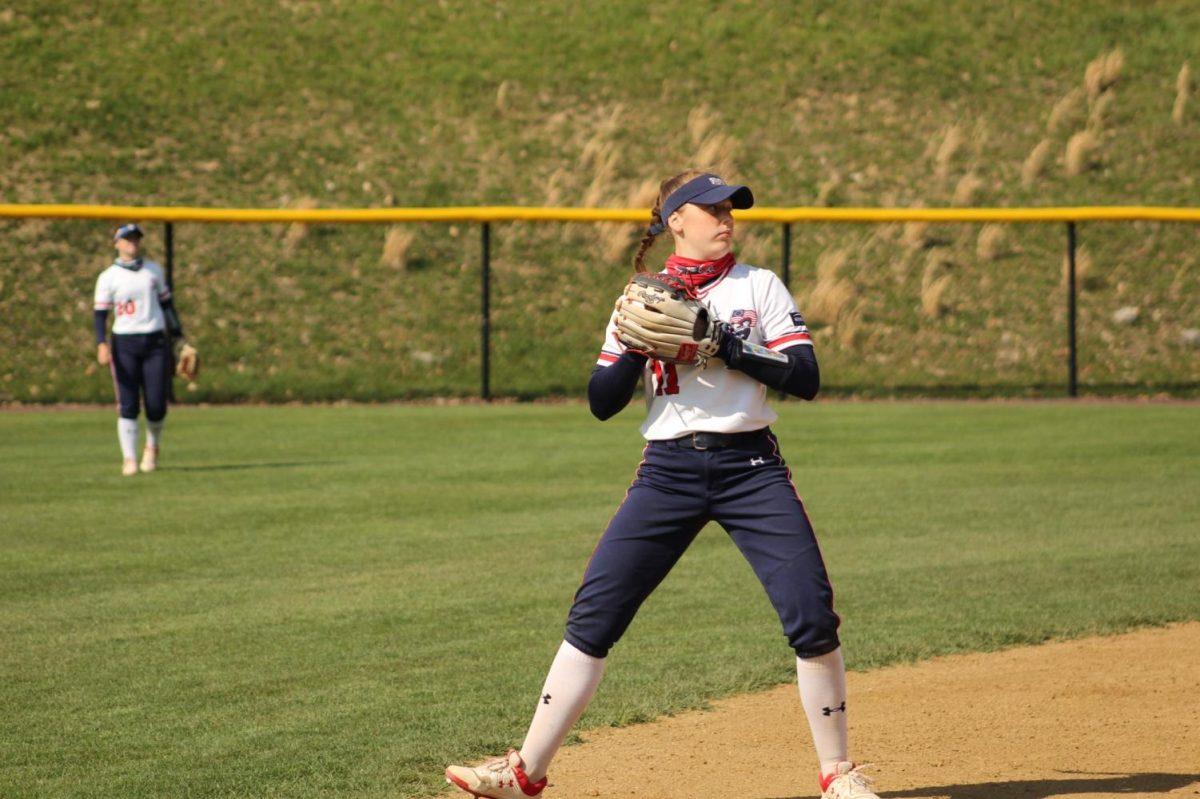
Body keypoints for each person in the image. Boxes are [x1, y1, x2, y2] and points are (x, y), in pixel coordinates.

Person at [444, 171, 879, 799]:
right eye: (710, 209)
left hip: (749, 469)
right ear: (676, 220)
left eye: (730, 208)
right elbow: (601, 402)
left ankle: (837, 773)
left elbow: (805, 375)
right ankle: (523, 773)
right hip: (667, 473)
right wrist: (631, 348)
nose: (725, 217)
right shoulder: (642, 297)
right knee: (596, 613)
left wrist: (723, 345)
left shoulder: (759, 286)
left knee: (810, 612)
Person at [94, 223, 187, 476]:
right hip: (124, 343)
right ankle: (129, 458)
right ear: (117, 243)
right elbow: (100, 314)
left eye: (135, 239)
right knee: (128, 403)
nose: (132, 243)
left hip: (155, 342)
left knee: (157, 404)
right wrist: (101, 343)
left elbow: (168, 306)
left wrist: (180, 338)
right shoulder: (108, 277)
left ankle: (152, 447)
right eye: (127, 239)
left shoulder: (152, 271)